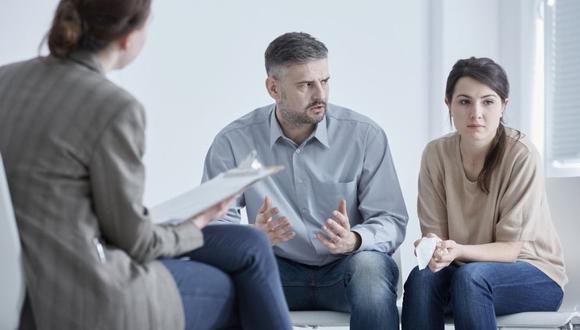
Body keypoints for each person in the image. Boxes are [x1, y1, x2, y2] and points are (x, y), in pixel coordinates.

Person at [0, 1, 292, 329]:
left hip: (32, 269)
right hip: (87, 289)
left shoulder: (5, 79)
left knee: (250, 244)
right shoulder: (113, 107)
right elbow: (136, 242)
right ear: (127, 37)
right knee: (227, 287)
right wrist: (197, 221)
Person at [203, 32, 408, 330]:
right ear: (274, 88)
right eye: (306, 85)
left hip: (347, 270)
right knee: (219, 282)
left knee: (370, 269)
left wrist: (355, 239)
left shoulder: (364, 136)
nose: (320, 95)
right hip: (274, 274)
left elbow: (391, 218)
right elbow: (214, 227)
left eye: (324, 81)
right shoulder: (234, 142)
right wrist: (252, 237)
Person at [401, 57, 567, 330]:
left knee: (471, 278)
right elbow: (436, 237)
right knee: (421, 279)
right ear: (449, 105)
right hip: (463, 272)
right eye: (464, 102)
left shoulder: (520, 154)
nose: (476, 113)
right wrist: (431, 247)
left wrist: (458, 251)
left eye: (488, 101)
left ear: (504, 105)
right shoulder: (436, 153)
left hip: (534, 275)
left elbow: (511, 250)